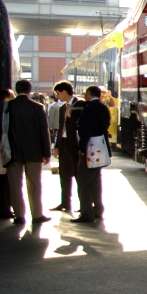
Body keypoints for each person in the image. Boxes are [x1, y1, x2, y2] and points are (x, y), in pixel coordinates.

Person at [3, 80, 52, 225]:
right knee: (34, 184)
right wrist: (46, 153)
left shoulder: (6, 106)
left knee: (15, 185)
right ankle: (37, 215)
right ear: (30, 91)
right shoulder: (37, 107)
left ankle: (19, 215)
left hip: (12, 152)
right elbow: (44, 131)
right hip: (34, 152)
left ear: (16, 90)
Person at [73, 85, 111, 223]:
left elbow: (86, 128)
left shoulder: (90, 107)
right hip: (101, 145)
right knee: (96, 181)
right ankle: (98, 210)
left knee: (84, 181)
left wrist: (82, 147)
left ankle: (86, 213)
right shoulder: (103, 107)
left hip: (91, 147)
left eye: (86, 93)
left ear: (89, 93)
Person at [51, 81, 85, 214]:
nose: (57, 96)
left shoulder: (80, 104)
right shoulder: (62, 108)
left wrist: (71, 115)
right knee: (64, 174)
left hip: (75, 144)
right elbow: (61, 128)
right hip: (64, 143)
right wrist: (57, 146)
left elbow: (80, 123)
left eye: (57, 93)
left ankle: (84, 204)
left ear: (64, 91)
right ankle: (65, 202)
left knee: (78, 174)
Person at [0, 88, 16, 219]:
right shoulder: (4, 111)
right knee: (3, 180)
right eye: (11, 97)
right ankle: (4, 209)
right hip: (2, 150)